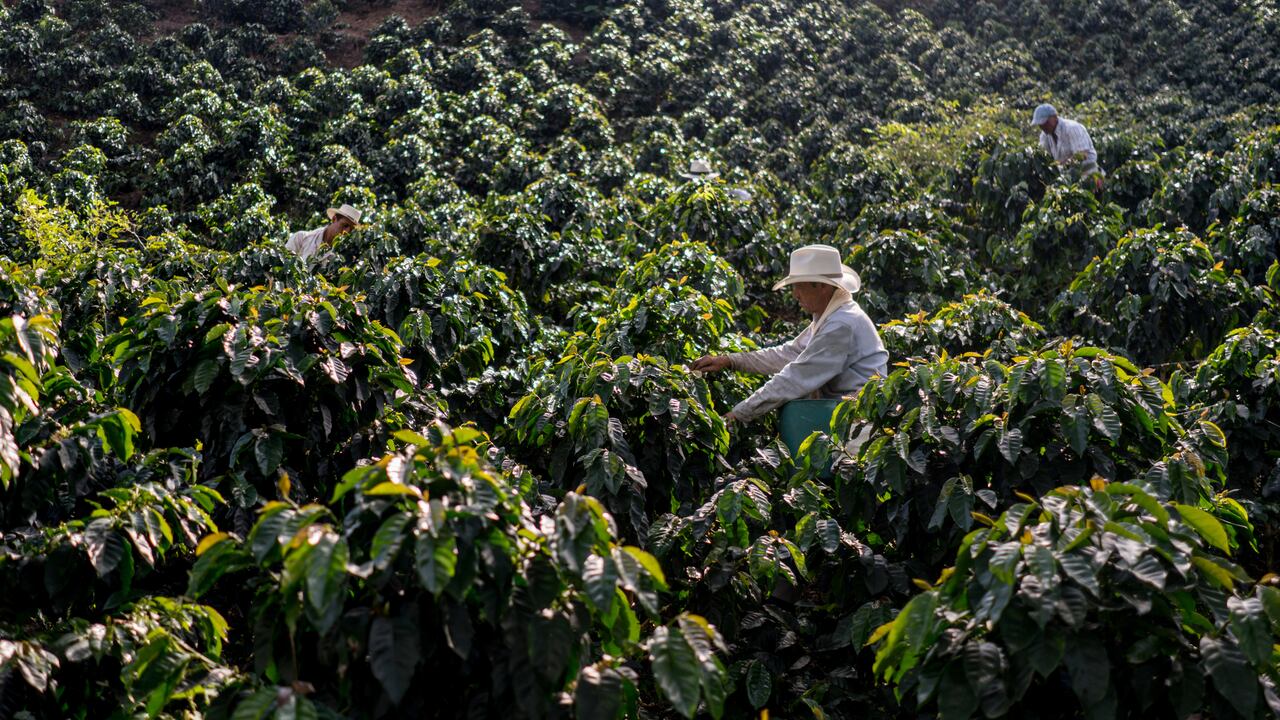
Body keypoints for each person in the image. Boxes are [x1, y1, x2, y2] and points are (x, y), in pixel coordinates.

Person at [691, 244, 888, 424]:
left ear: (822, 286)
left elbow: (795, 378)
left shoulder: (841, 324)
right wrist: (730, 360)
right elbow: (789, 354)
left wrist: (739, 414)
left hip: (858, 430)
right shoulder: (831, 316)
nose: (795, 294)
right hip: (840, 419)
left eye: (798, 286)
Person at [1031, 103, 1104, 192]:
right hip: (1066, 179)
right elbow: (1045, 157)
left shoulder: (1072, 128)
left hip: (1087, 174)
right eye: (1040, 124)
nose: (1042, 126)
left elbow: (1082, 155)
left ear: (1054, 117)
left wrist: (1062, 164)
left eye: (1045, 122)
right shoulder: (1045, 136)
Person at [285, 203, 362, 262]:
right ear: (334, 219)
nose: (347, 232)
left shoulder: (341, 256)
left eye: (351, 229)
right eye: (345, 225)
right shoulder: (301, 238)